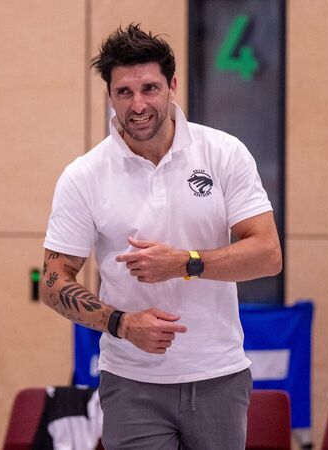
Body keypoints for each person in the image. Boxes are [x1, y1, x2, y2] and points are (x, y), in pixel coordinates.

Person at [41, 24, 282, 450]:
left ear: (172, 86)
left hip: (218, 375)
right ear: (110, 95)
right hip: (130, 382)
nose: (138, 105)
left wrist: (185, 263)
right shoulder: (84, 176)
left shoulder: (223, 153)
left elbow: (267, 254)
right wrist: (121, 323)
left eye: (149, 88)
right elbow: (53, 280)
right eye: (124, 92)